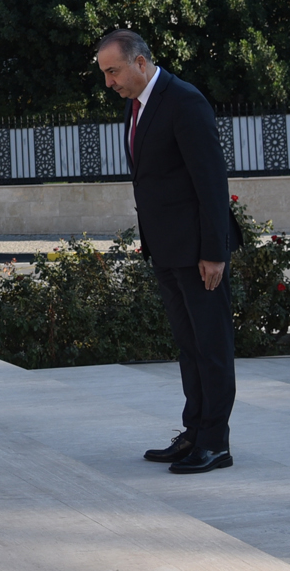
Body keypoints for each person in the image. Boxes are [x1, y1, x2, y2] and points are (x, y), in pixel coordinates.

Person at [97, 30, 241, 474]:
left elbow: (211, 182)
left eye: (113, 71)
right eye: (105, 73)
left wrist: (214, 251)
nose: (109, 82)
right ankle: (194, 432)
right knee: (189, 347)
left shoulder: (185, 101)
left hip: (199, 252)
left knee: (211, 347)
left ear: (140, 62)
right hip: (166, 249)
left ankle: (215, 443)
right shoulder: (135, 106)